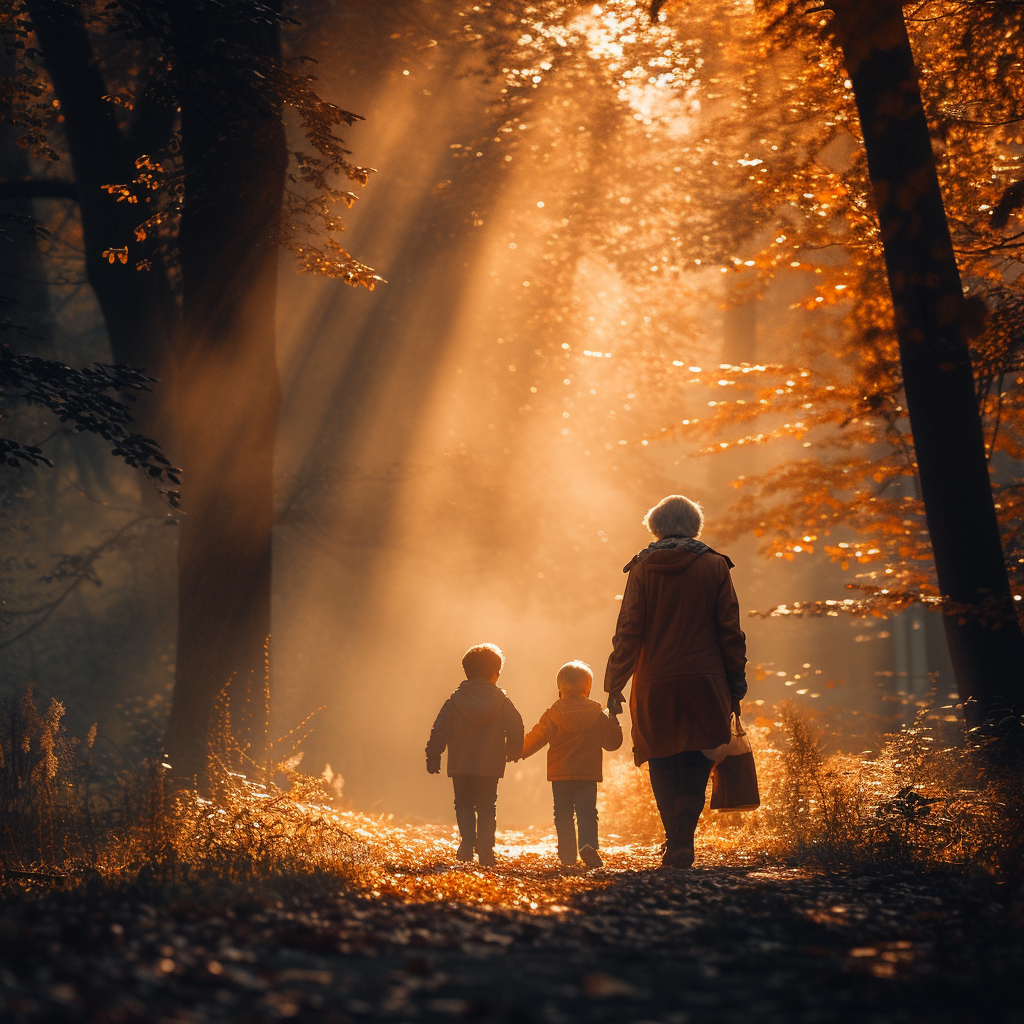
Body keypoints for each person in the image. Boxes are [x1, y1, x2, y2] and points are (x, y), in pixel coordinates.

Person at [604, 494, 747, 869]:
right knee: (700, 754)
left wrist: (615, 681)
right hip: (706, 678)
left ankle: (675, 837)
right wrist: (736, 682)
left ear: (656, 525)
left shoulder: (642, 569)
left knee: (661, 755)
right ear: (695, 525)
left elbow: (629, 629)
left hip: (656, 679)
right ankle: (683, 832)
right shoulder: (717, 566)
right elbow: (730, 630)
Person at [425, 643, 525, 867]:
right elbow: (516, 725)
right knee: (487, 805)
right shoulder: (501, 701)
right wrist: (514, 750)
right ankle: (487, 849)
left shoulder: (455, 700)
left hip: (461, 764)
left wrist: (433, 755)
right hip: (490, 765)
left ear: (466, 671)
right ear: (495, 674)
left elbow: (440, 728)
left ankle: (467, 843)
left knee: (463, 804)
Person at [522, 660, 623, 868]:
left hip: (560, 774)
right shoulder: (597, 714)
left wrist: (516, 751)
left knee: (562, 814)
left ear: (560, 688)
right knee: (587, 812)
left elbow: (537, 737)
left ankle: (567, 854)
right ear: (588, 688)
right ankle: (587, 846)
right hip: (587, 774)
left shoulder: (554, 713)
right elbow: (612, 743)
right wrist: (613, 718)